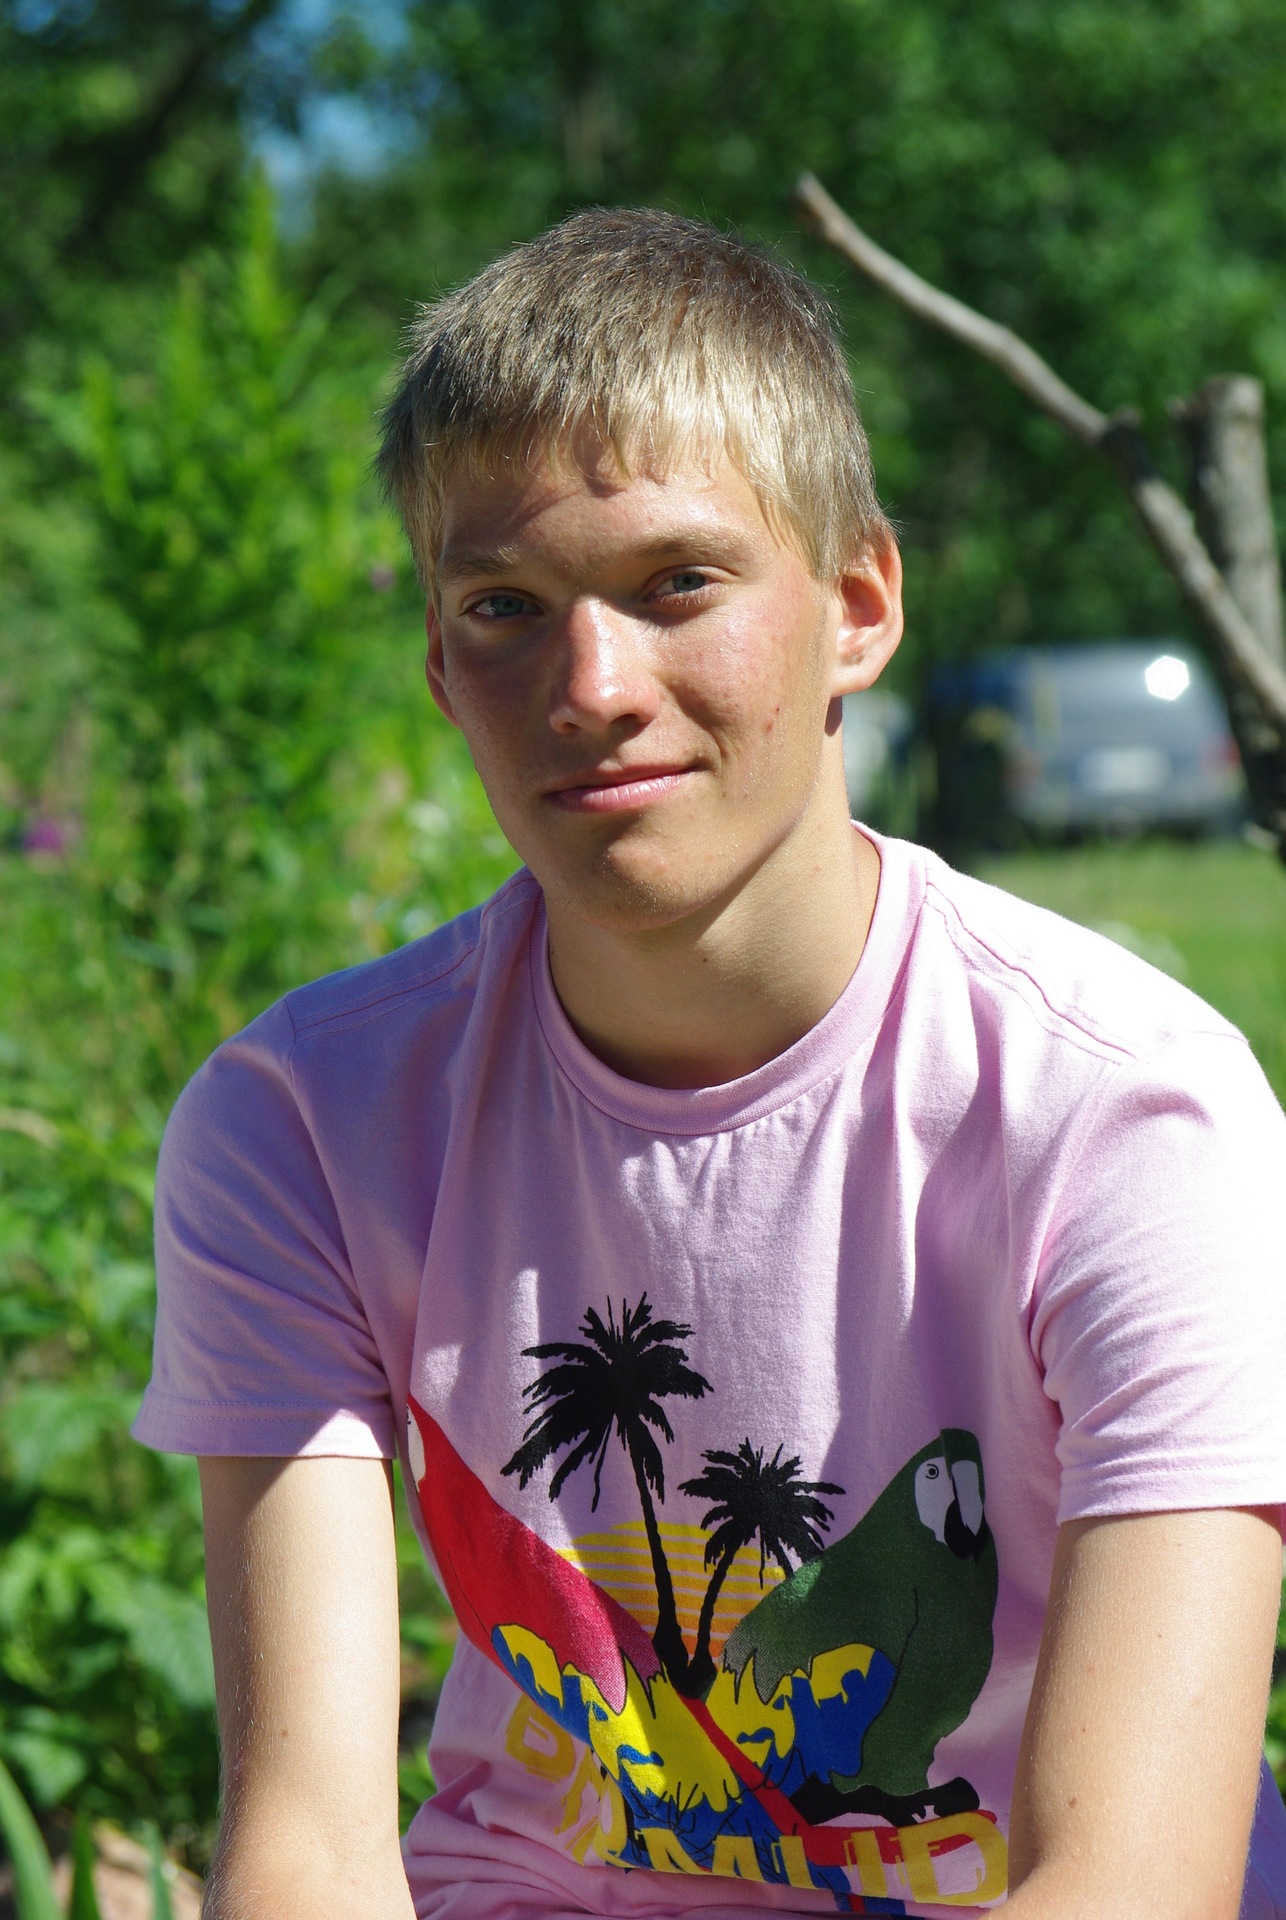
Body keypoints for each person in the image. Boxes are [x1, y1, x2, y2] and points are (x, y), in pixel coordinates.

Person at [133, 208, 1286, 1920]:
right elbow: (305, 1848)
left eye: (677, 583)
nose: (590, 687)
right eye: (505, 606)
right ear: (440, 665)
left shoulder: (1125, 1112)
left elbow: (1128, 1881)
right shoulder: (301, 1123)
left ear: (856, 606)